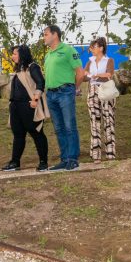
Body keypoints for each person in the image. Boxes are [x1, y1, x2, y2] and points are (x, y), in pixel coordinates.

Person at [43, 25, 85, 171]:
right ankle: (65, 158)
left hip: (65, 92)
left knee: (69, 126)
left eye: (46, 34)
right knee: (59, 128)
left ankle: (73, 159)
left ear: (55, 35)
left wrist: (74, 89)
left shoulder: (68, 50)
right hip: (51, 94)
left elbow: (80, 73)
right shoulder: (47, 55)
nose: (44, 37)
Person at [2, 44, 49, 172]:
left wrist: (35, 99)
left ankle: (43, 162)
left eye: (15, 54)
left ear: (22, 54)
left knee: (37, 133)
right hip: (16, 106)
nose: (12, 56)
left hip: (29, 105)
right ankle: (15, 162)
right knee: (18, 135)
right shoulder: (18, 69)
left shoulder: (32, 67)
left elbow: (41, 82)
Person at [82, 37, 117, 162]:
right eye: (91, 47)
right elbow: (85, 76)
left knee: (108, 120)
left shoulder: (109, 61)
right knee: (94, 121)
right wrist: (85, 75)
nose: (91, 49)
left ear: (101, 48)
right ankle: (96, 154)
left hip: (106, 91)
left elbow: (109, 74)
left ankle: (110, 154)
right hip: (92, 92)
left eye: (94, 47)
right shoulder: (90, 62)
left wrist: (95, 75)